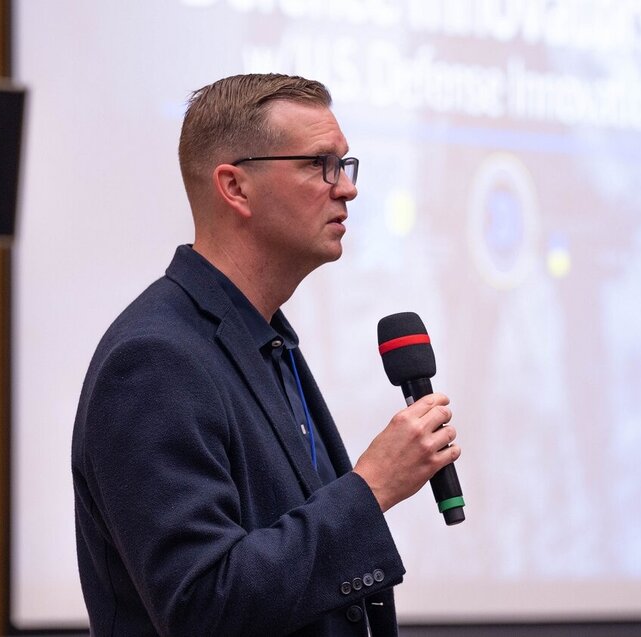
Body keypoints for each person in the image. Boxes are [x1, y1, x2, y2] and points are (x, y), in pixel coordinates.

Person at [71, 73, 461, 637]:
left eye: (345, 166)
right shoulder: (155, 360)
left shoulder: (265, 338)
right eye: (318, 164)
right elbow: (202, 605)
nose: (346, 189)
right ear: (235, 187)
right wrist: (371, 488)